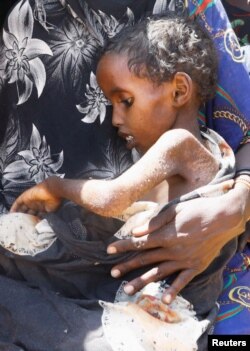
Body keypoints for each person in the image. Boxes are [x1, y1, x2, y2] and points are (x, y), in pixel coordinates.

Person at [0, 1, 249, 350]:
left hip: (159, 303)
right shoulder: (217, 147)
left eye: (125, 102)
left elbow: (113, 198)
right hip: (182, 302)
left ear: (179, 91)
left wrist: (55, 187)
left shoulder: (178, 145)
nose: (115, 119)